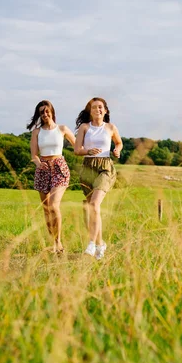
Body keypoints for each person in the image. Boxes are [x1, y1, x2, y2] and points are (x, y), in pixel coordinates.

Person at [74, 97, 123, 260]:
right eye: (94, 107)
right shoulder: (84, 127)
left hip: (105, 167)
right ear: (90, 111)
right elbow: (77, 149)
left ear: (105, 110)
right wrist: (87, 151)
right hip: (88, 168)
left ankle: (91, 244)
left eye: (100, 107)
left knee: (94, 204)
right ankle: (101, 244)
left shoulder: (110, 127)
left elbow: (119, 143)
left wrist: (117, 150)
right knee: (93, 208)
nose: (98, 110)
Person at [27, 100, 76, 253]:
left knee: (54, 205)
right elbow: (34, 154)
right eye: (42, 112)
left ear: (52, 112)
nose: (45, 114)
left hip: (59, 167)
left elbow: (78, 146)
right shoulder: (37, 132)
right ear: (39, 115)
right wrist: (38, 163)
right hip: (43, 169)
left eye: (47, 111)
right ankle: (53, 242)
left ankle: (59, 242)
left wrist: (93, 151)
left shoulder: (62, 129)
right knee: (47, 209)